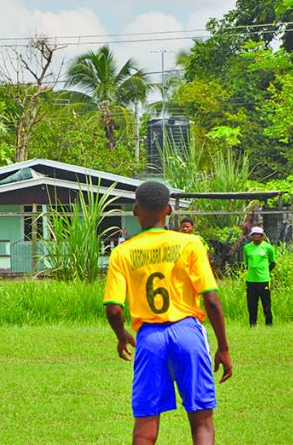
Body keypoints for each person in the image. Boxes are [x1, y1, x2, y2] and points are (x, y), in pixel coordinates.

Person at [103, 181, 232, 445]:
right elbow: (212, 299)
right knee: (202, 423)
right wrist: (224, 347)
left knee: (144, 429)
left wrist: (122, 335)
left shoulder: (122, 252)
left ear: (136, 210)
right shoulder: (191, 243)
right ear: (169, 210)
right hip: (188, 333)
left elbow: (114, 309)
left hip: (149, 338)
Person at [243, 226, 276, 327]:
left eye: (259, 235)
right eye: (254, 235)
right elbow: (246, 263)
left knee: (266, 304)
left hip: (264, 280)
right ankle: (252, 324)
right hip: (251, 280)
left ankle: (269, 324)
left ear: (262, 236)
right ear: (251, 236)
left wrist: (265, 272)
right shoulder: (247, 248)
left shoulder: (268, 247)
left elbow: (273, 262)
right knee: (252, 304)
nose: (256, 237)